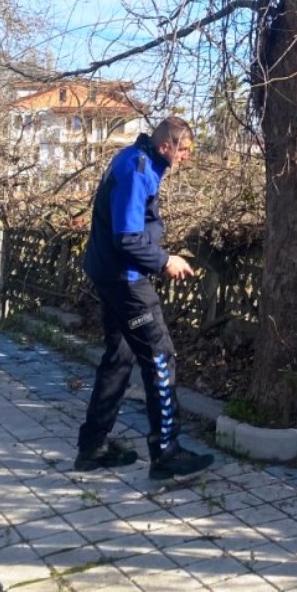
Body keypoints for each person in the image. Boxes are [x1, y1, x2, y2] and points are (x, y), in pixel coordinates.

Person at [74, 116, 214, 481]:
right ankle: (166, 452)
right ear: (166, 145)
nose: (187, 157)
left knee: (119, 358)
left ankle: (92, 447)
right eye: (184, 150)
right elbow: (127, 237)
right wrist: (166, 260)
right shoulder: (136, 170)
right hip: (126, 281)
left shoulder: (142, 161)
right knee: (160, 357)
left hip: (112, 274)